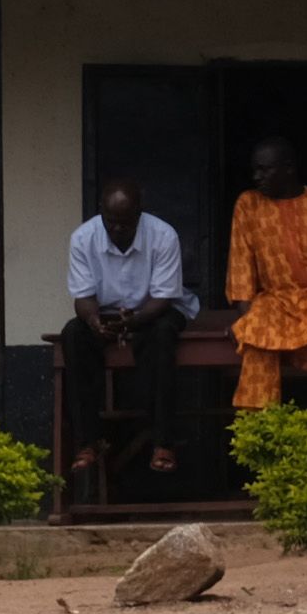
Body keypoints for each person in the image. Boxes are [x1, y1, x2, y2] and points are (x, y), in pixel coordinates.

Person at [57, 179, 189, 490]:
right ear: (101, 212)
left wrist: (136, 320)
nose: (117, 229)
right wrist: (93, 321)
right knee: (73, 336)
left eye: (125, 223)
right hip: (103, 313)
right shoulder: (83, 238)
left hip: (153, 312)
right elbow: (83, 297)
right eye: (111, 221)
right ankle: (88, 441)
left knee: (162, 337)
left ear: (139, 214)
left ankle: (162, 442)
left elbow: (164, 297)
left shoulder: (163, 235)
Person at [223, 138, 307, 408]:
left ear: (288, 168)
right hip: (275, 301)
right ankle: (258, 436)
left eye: (264, 170)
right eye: (255, 170)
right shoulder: (248, 204)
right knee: (257, 340)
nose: (256, 177)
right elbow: (241, 270)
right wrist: (246, 321)